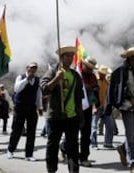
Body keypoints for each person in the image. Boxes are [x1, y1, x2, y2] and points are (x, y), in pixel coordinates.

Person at [41, 45, 84, 173]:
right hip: (56, 116)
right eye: (67, 56)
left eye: (72, 56)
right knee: (52, 145)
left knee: (73, 147)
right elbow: (44, 89)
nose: (70, 58)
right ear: (61, 58)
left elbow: (79, 97)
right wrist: (56, 79)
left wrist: (81, 116)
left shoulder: (76, 75)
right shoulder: (53, 72)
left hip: (72, 116)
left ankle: (74, 171)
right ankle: (51, 169)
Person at [7, 62, 43, 161]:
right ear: (27, 68)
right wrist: (27, 79)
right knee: (17, 130)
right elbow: (17, 89)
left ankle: (29, 154)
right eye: (31, 68)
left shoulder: (37, 80)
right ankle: (10, 150)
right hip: (20, 107)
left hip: (31, 107)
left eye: (34, 68)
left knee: (31, 131)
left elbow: (38, 94)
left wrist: (40, 107)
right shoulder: (20, 77)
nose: (32, 70)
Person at [77, 56, 98, 167]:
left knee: (86, 133)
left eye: (91, 69)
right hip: (76, 107)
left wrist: (91, 88)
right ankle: (64, 148)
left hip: (88, 107)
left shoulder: (92, 76)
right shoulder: (77, 73)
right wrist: (83, 87)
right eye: (88, 67)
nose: (90, 70)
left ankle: (84, 157)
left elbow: (96, 88)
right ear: (83, 64)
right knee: (73, 133)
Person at [91, 65, 114, 149]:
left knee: (110, 126)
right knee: (94, 127)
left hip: (105, 107)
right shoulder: (94, 80)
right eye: (103, 74)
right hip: (96, 107)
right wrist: (93, 106)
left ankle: (108, 143)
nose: (104, 75)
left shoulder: (106, 81)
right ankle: (93, 144)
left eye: (105, 74)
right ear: (99, 73)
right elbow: (92, 94)